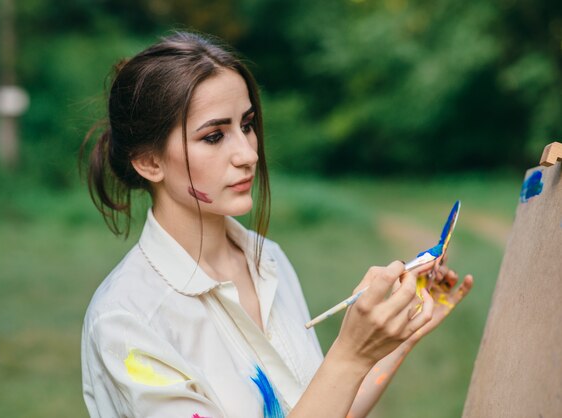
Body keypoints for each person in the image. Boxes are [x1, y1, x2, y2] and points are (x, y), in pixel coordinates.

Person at [80, 31, 474, 418]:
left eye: (247, 125)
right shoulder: (127, 319)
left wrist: (393, 338)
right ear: (149, 162)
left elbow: (322, 408)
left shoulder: (268, 260)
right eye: (215, 136)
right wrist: (348, 355)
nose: (248, 153)